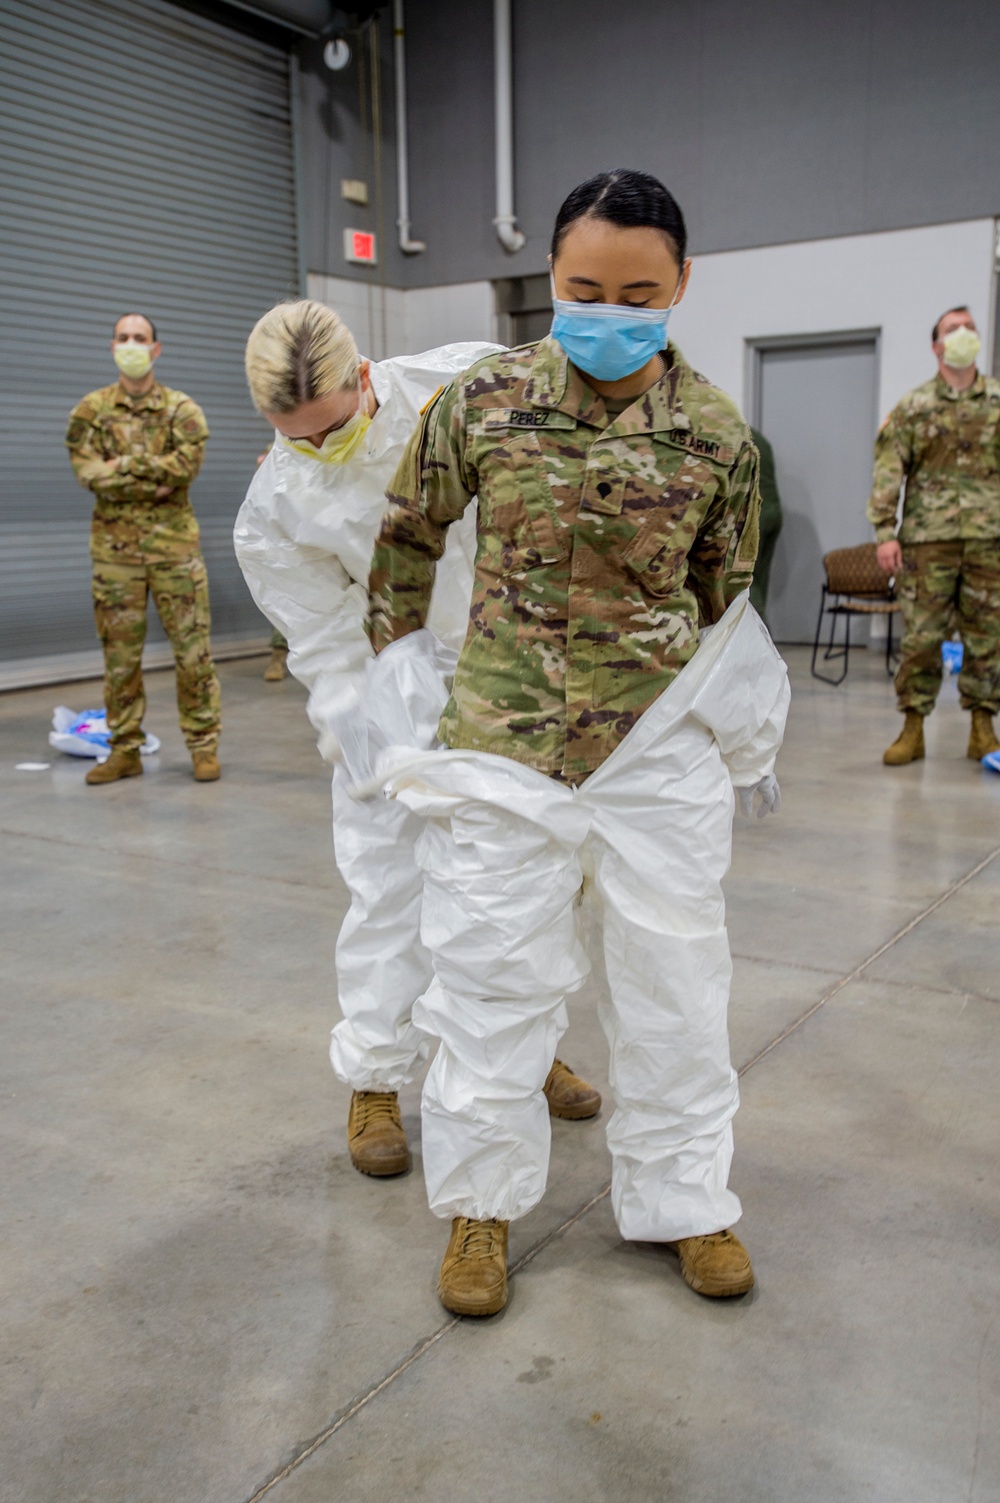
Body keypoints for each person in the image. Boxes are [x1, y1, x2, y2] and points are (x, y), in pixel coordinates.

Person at [365, 169, 789, 1316]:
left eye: (637, 290)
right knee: (488, 983)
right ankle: (480, 1213)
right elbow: (409, 532)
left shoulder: (716, 435)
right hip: (503, 737)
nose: (608, 309)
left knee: (675, 989)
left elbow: (726, 597)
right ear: (550, 278)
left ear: (682, 285)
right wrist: (397, 667)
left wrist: (732, 733)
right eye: (582, 286)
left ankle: (686, 1202)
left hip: (655, 752)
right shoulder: (484, 400)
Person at [235, 301, 601, 1179]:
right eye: (294, 437)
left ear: (365, 378)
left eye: (329, 428)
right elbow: (326, 647)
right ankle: (373, 1076)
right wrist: (362, 744)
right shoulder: (274, 507)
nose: (317, 450)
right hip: (388, 688)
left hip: (514, 677)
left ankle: (520, 1053)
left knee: (527, 892)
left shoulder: (464, 384)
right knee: (386, 890)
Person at [65, 314, 222, 784]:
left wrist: (124, 467)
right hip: (116, 557)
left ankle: (203, 746)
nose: (131, 345)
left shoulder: (182, 410)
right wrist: (150, 474)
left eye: (140, 338)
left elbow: (185, 467)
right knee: (119, 659)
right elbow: (88, 472)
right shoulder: (89, 411)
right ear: (112, 346)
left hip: (175, 550)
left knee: (193, 652)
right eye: (123, 338)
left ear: (156, 349)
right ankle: (124, 749)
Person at [869, 306, 1000, 765]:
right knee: (922, 638)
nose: (963, 334)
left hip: (990, 539)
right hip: (928, 541)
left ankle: (984, 729)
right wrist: (886, 531)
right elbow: (889, 470)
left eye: (969, 327)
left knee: (989, 637)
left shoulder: (998, 401)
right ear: (936, 346)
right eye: (952, 329)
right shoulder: (913, 407)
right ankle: (913, 728)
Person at [748, 427, 783, 620]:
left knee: (746, 582)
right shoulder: (759, 437)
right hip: (773, 511)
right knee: (760, 580)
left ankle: (756, 638)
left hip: (755, 515)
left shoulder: (731, 435)